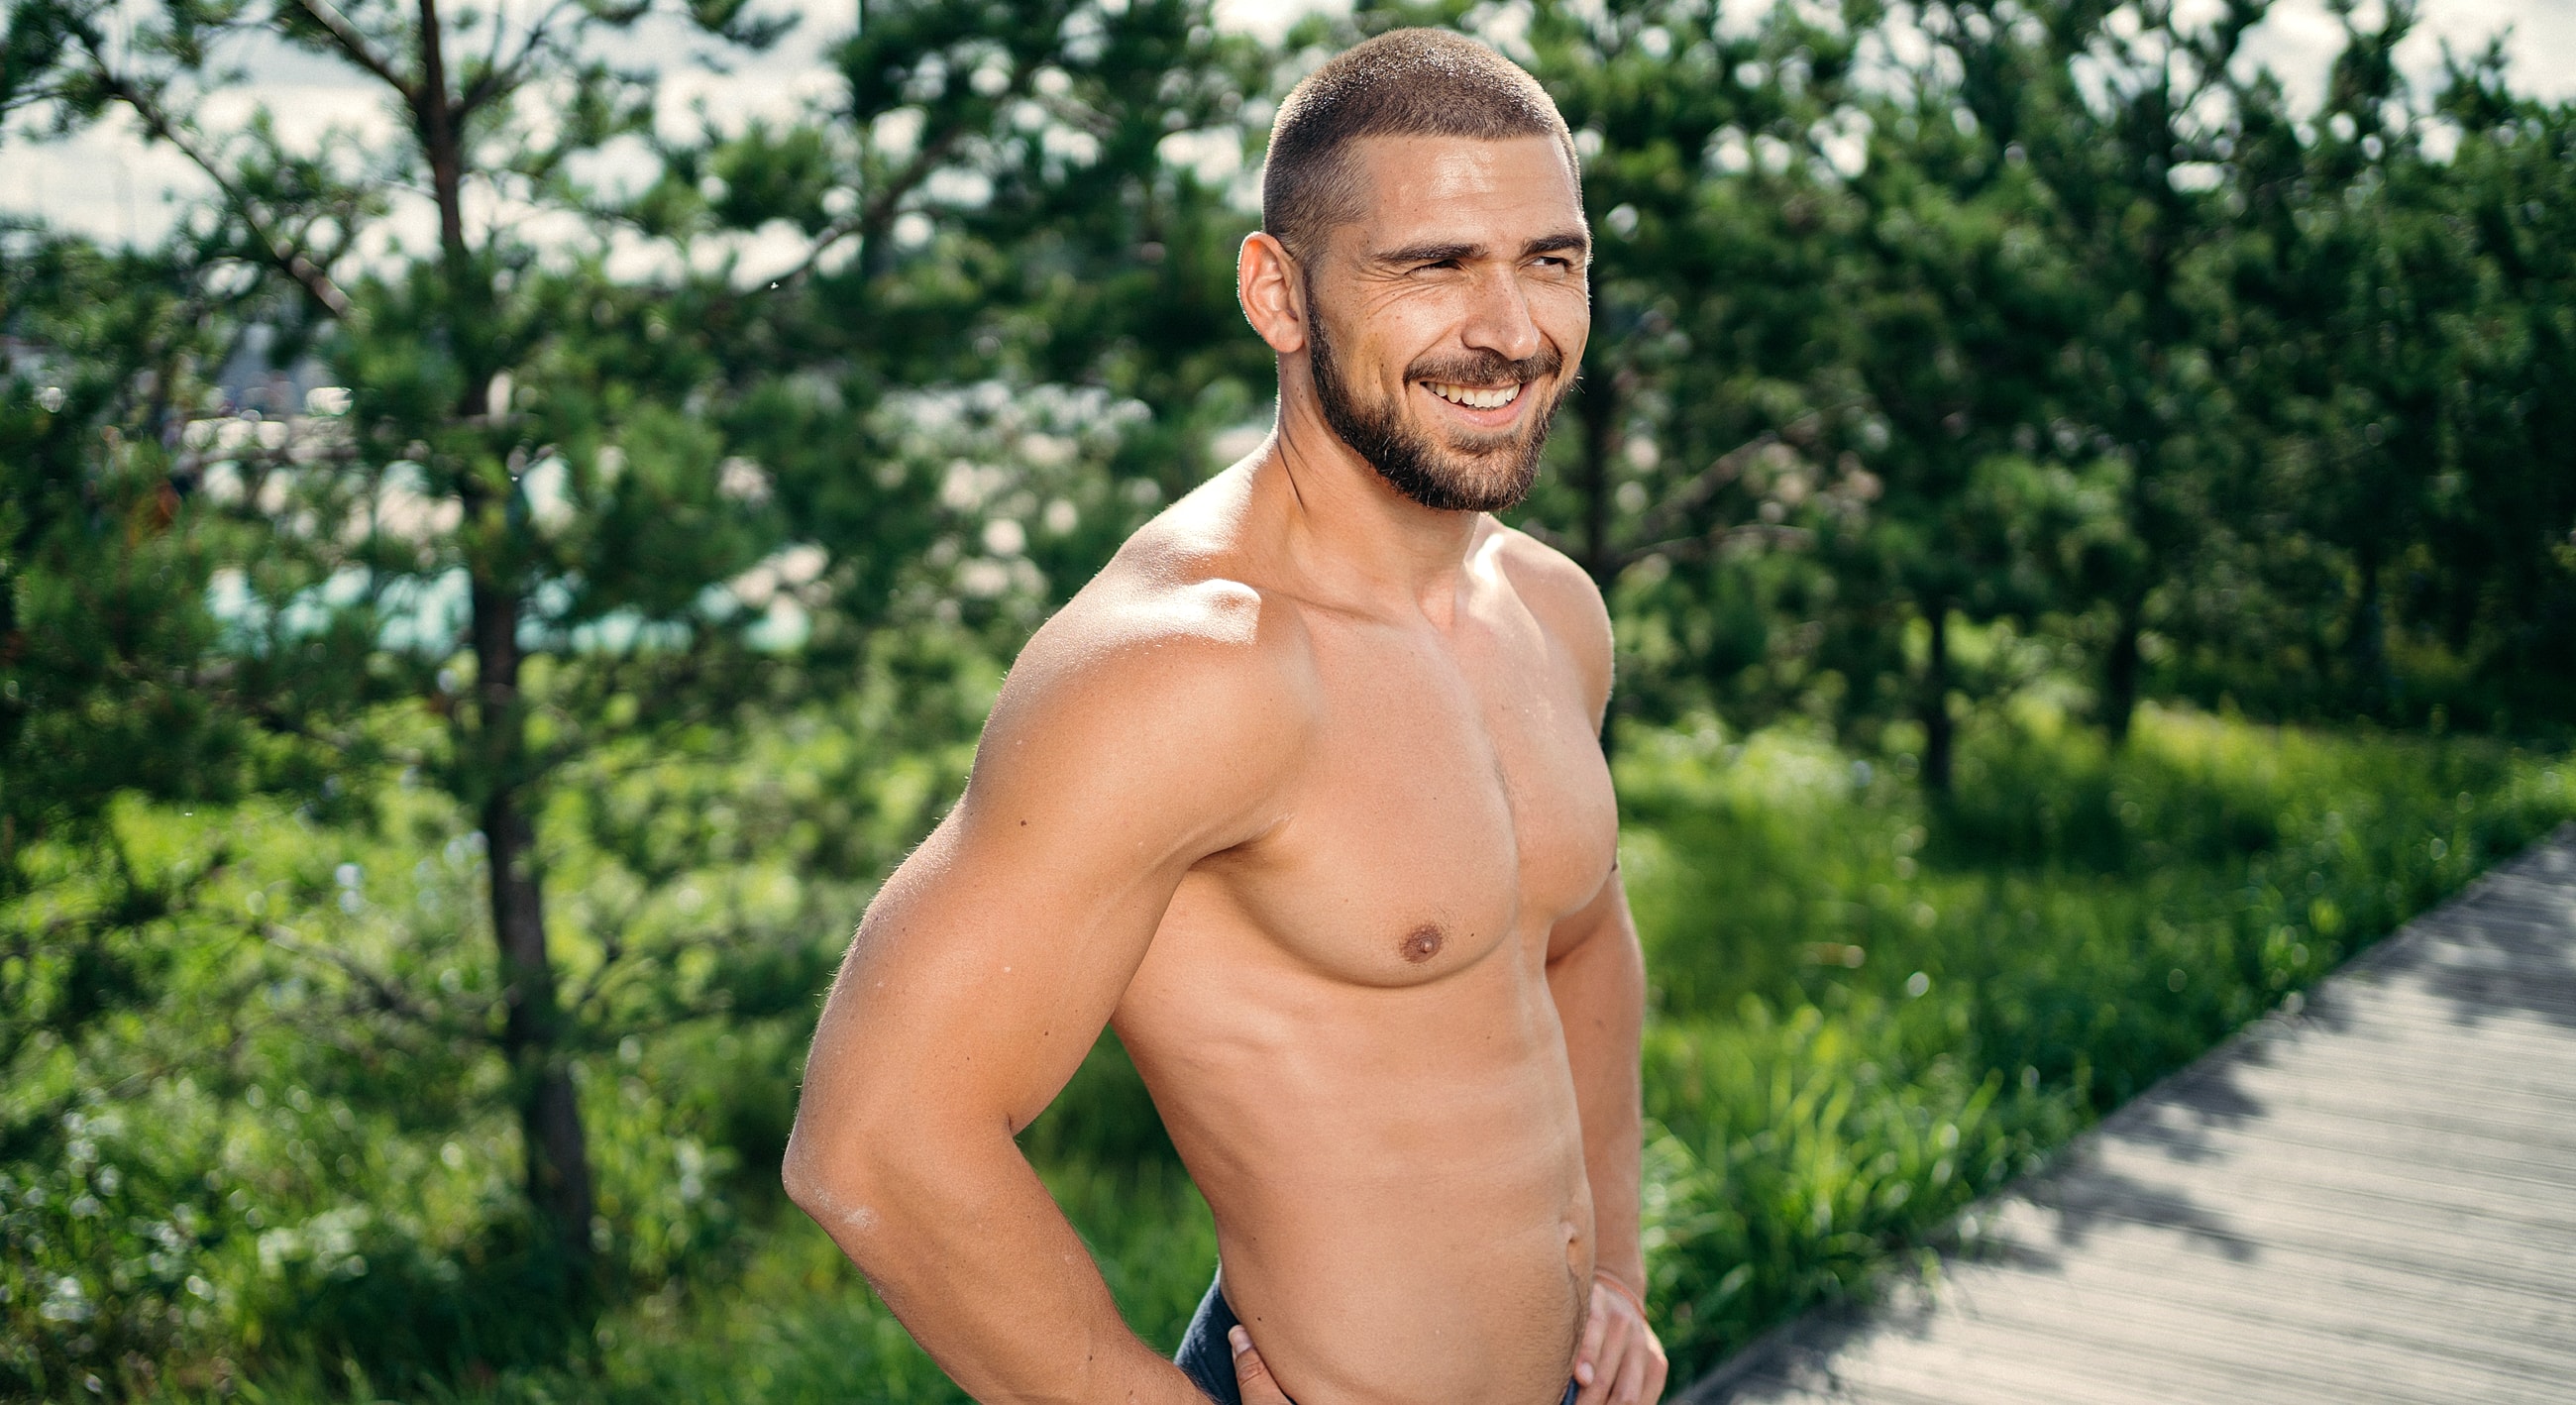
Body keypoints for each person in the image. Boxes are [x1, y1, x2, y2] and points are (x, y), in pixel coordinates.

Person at [783, 27, 1667, 1405]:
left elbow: (1584, 933)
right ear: (1280, 293)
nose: (1510, 329)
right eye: (1434, 266)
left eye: (1550, 261)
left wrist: (1615, 1270)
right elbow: (875, 1140)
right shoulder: (1190, 667)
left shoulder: (1549, 615)